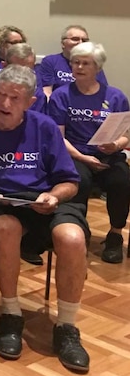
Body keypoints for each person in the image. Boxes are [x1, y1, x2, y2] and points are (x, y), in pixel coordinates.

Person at [0, 65, 90, 373]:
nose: (6, 103)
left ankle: (66, 326)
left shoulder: (44, 127)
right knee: (4, 226)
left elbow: (70, 182)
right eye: (1, 95)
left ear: (30, 102)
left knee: (72, 237)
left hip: (44, 200)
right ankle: (11, 315)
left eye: (15, 98)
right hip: (0, 203)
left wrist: (54, 196)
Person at [47, 42, 130, 263]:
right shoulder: (61, 95)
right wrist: (83, 157)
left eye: (86, 63)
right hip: (76, 154)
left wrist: (116, 145)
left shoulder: (115, 96)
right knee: (78, 181)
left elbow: (126, 134)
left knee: (121, 180)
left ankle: (115, 235)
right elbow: (58, 136)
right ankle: (77, 233)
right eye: (76, 62)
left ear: (98, 68)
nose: (79, 67)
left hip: (109, 154)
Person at [40, 25, 108, 97]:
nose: (80, 43)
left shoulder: (93, 62)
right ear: (63, 44)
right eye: (75, 39)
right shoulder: (51, 61)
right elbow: (47, 92)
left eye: (84, 40)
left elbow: (102, 91)